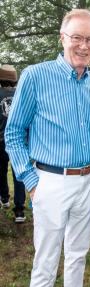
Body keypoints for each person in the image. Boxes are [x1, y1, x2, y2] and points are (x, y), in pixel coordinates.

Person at [5, 9, 90, 287]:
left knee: (78, 256)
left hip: (88, 179)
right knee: (46, 261)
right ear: (62, 38)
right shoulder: (35, 76)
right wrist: (30, 181)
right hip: (49, 180)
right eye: (76, 37)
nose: (83, 46)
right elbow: (14, 133)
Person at [0, 65, 26, 223]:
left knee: (1, 172)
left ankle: (4, 198)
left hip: (0, 141)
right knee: (19, 175)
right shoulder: (22, 95)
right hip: (18, 141)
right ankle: (19, 211)